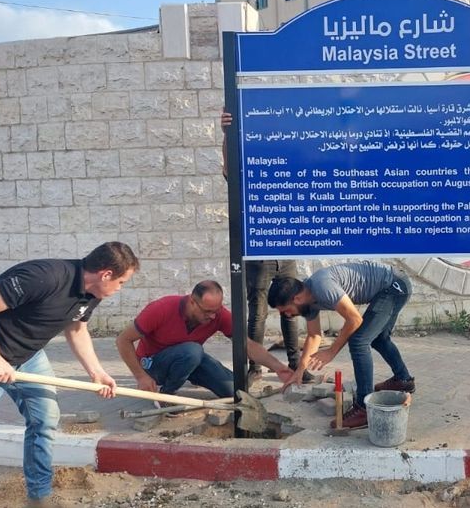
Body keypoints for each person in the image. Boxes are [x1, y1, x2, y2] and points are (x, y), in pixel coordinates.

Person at [0, 242, 139, 508]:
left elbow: (76, 329)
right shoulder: (44, 277)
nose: (120, 288)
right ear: (106, 274)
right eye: (121, 282)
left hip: (28, 358)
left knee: (45, 421)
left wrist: (97, 372)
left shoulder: (91, 293)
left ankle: (39, 498)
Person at [268, 261, 416, 429]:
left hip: (394, 286)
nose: (287, 315)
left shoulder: (322, 286)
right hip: (391, 286)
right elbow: (314, 335)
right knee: (379, 338)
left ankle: (364, 408)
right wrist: (300, 370)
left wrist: (331, 351)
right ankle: (403, 380)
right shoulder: (308, 302)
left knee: (358, 341)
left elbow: (354, 319)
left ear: (297, 298)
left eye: (285, 310)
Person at [221, 110, 311, 385]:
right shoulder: (251, 176)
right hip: (259, 255)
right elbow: (229, 170)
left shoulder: (288, 177)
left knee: (291, 310)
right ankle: (255, 367)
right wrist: (227, 135)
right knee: (257, 314)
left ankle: (296, 365)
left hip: (286, 252)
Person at [116, 280, 295, 400]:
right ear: (192, 302)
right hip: (153, 365)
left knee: (235, 391)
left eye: (216, 311)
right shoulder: (161, 309)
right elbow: (123, 340)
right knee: (193, 351)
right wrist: (141, 376)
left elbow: (247, 345)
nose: (212, 316)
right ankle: (166, 395)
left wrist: (279, 367)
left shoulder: (218, 315)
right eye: (207, 311)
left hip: (189, 359)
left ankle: (189, 374)